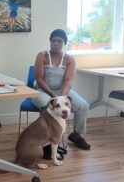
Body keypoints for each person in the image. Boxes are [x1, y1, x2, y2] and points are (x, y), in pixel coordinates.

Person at [31, 29, 91, 158]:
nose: (56, 43)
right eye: (53, 40)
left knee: (83, 106)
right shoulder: (42, 55)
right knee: (47, 103)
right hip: (42, 90)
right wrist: (54, 95)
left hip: (62, 91)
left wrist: (63, 97)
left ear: (64, 43)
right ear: (50, 42)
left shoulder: (69, 59)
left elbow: (68, 80)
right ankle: (47, 142)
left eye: (59, 41)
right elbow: (39, 79)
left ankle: (76, 135)